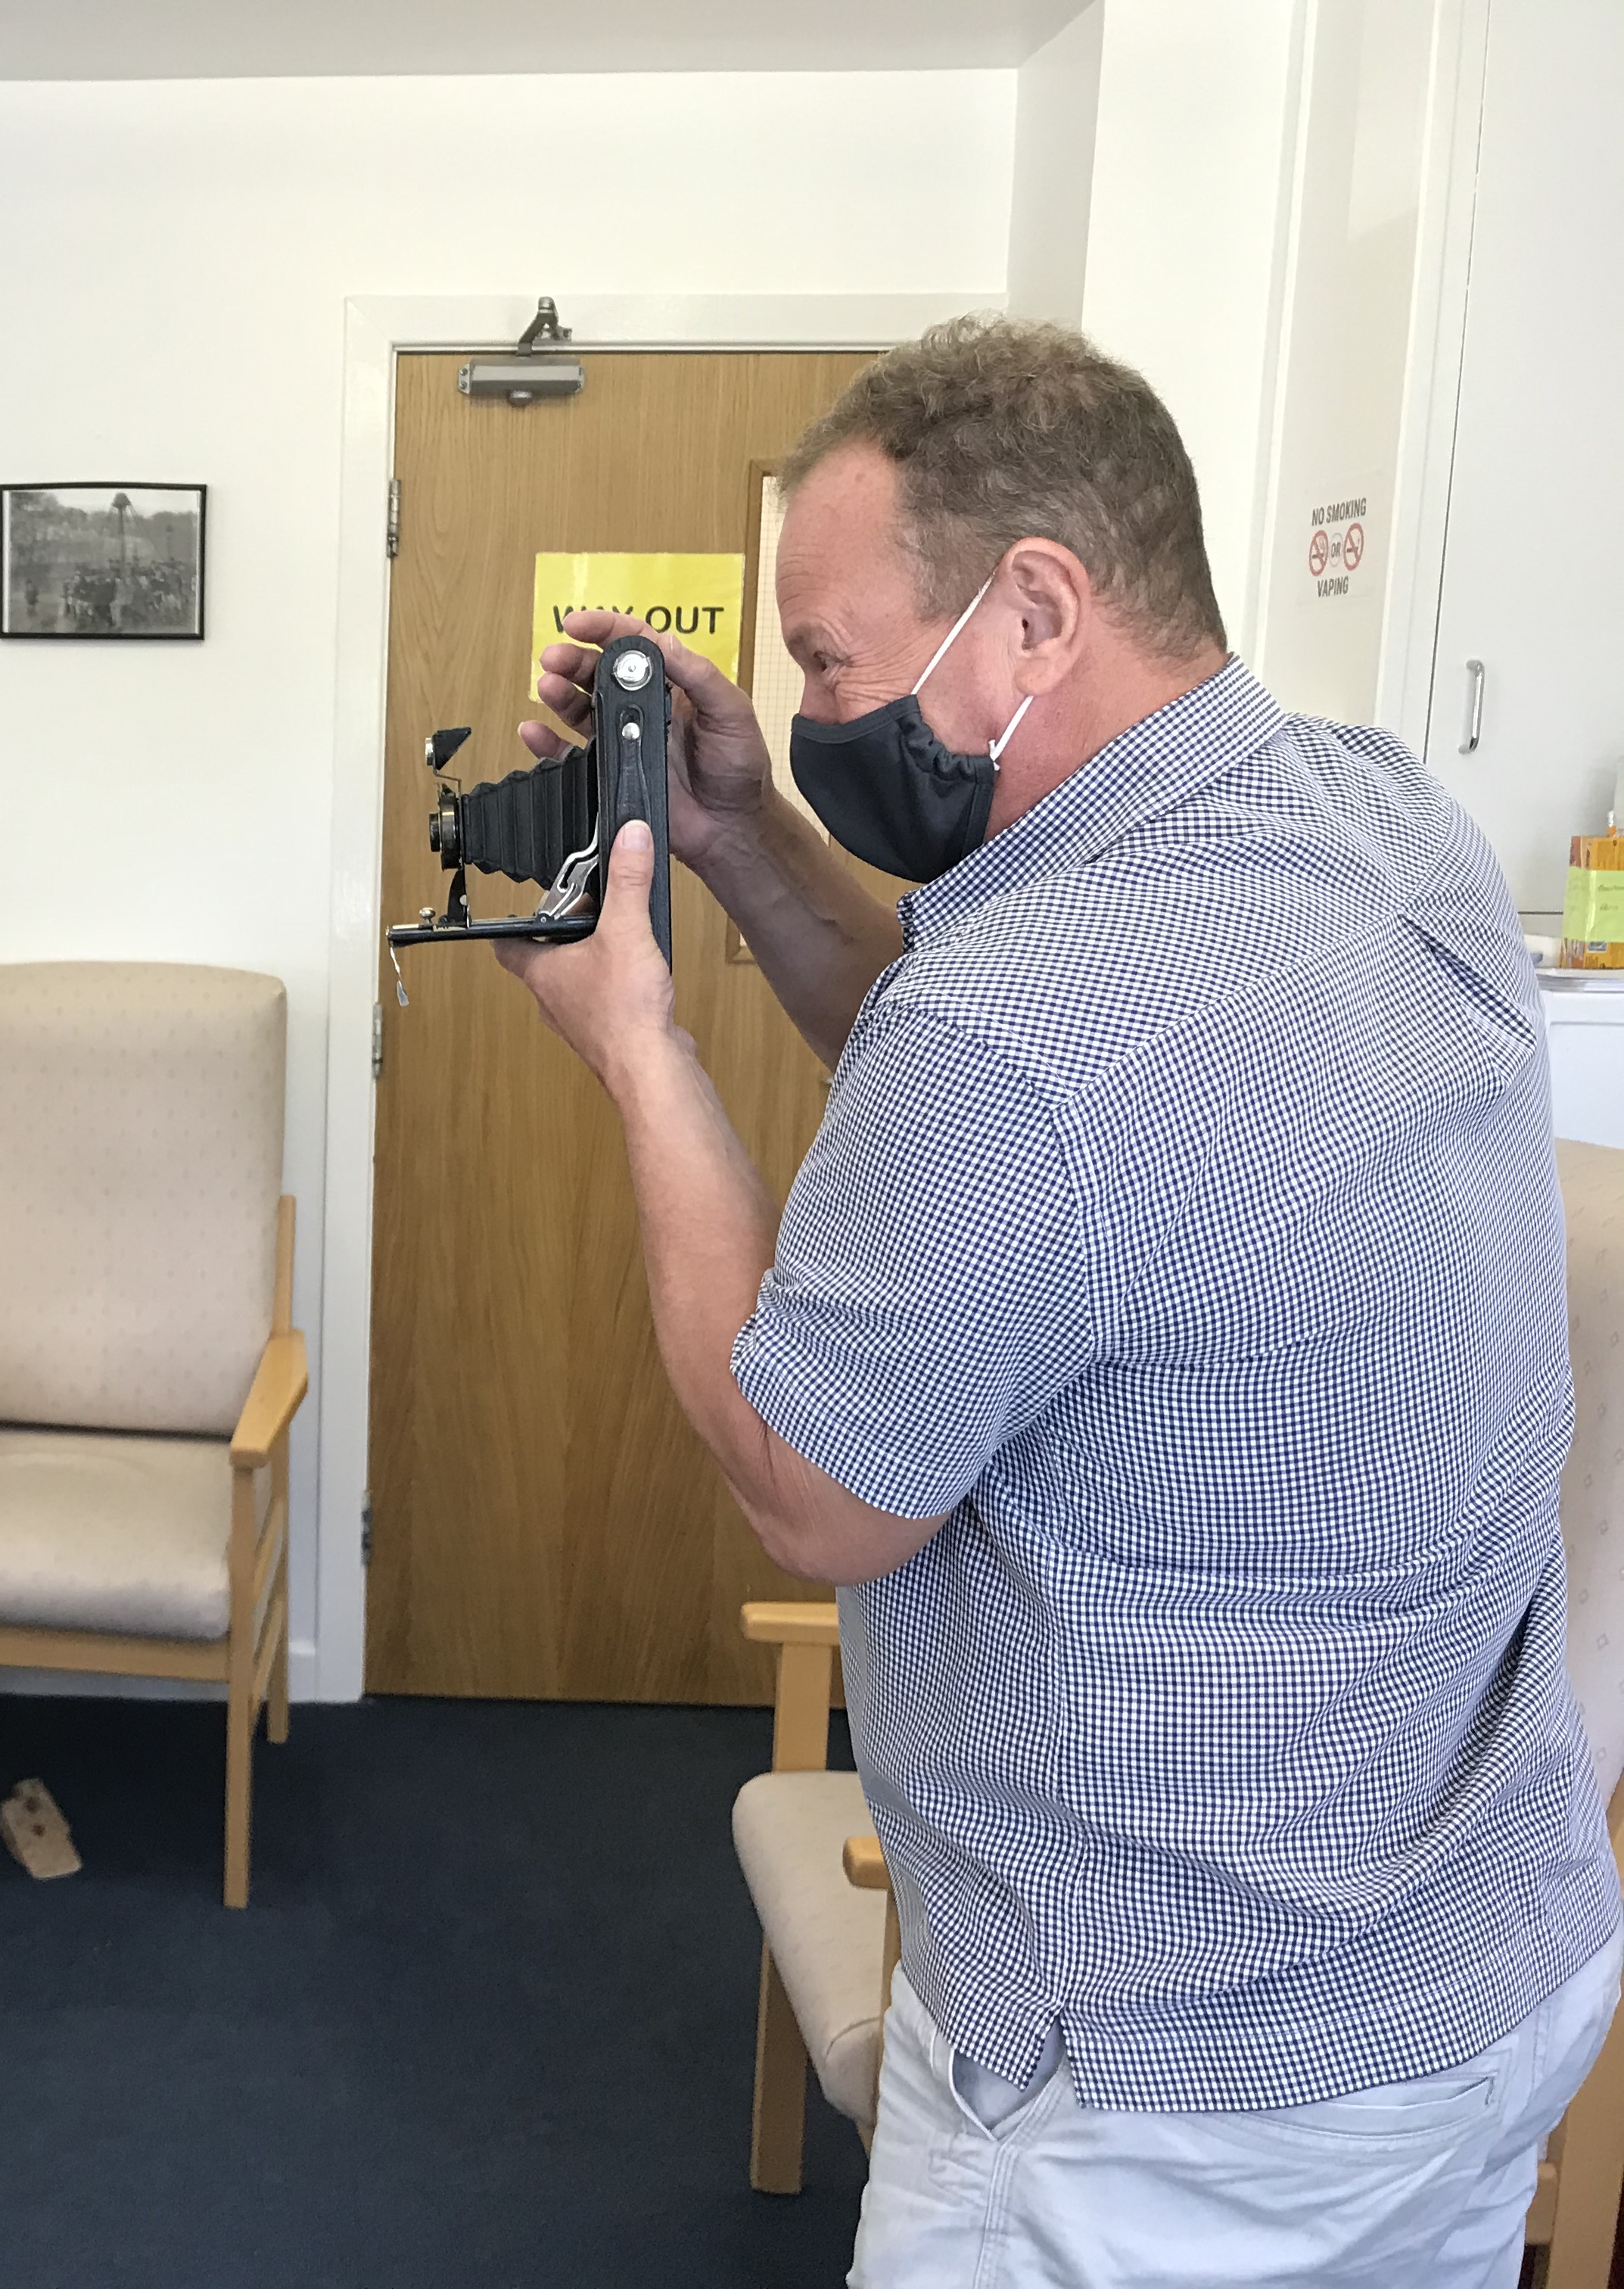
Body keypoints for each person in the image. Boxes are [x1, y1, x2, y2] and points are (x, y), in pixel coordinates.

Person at [495, 316, 1620, 2286]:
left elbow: (810, 1487)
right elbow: (1017, 1132)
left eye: (834, 658)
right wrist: (752, 830)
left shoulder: (1023, 1033)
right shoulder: (1370, 817)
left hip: (1168, 2095)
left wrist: (637, 1049)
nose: (819, 700)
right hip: (1480, 1983)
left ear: (1033, 612)